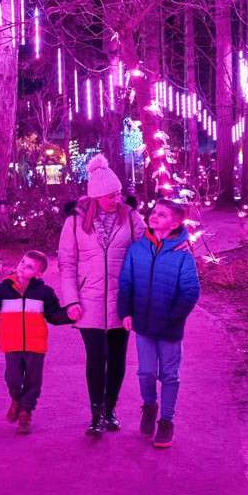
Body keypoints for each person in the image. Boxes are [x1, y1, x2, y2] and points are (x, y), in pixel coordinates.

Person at [58, 154, 146, 436]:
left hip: (122, 301)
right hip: (89, 301)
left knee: (118, 357)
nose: (116, 200)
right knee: (97, 356)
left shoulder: (131, 217)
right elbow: (67, 262)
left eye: (118, 194)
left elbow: (148, 248)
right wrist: (71, 300)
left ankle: (110, 409)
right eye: (110, 196)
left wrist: (175, 244)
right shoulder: (75, 222)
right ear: (96, 196)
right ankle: (95, 414)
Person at [118, 198, 202, 448]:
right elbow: (126, 283)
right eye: (154, 212)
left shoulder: (182, 255)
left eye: (163, 215)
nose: (154, 217)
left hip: (169, 327)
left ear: (175, 222)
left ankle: (166, 421)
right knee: (145, 372)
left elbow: (190, 291)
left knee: (169, 374)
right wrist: (126, 311)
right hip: (143, 324)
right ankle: (149, 407)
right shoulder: (137, 250)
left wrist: (173, 316)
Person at [0, 250, 73, 434]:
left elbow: (54, 315)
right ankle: (16, 399)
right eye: (23, 262)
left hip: (36, 344)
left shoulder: (44, 292)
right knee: (13, 379)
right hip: (12, 342)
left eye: (30, 266)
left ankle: (26, 412)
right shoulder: (3, 289)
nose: (23, 266)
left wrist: (69, 315)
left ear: (39, 274)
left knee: (33, 381)